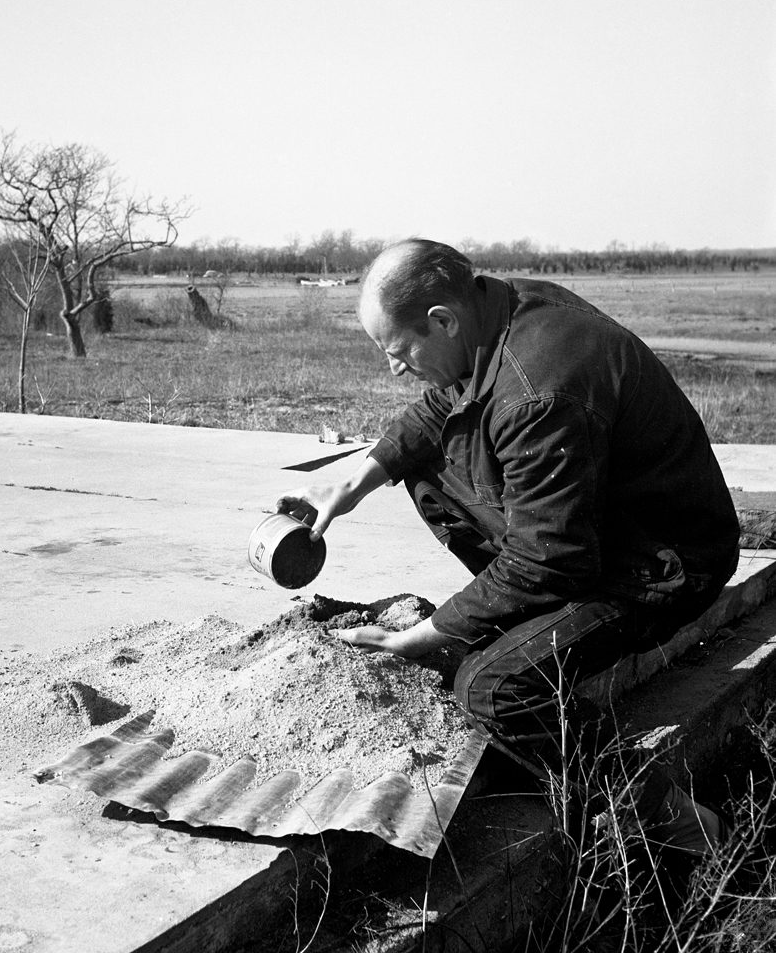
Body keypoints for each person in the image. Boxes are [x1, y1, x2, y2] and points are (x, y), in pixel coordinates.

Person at [278, 238, 740, 854]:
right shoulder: (491, 314)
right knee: (425, 466)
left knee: (491, 688)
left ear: (442, 320)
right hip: (602, 530)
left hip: (659, 565)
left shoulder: (537, 389)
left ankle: (682, 827)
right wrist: (356, 481)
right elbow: (439, 409)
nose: (394, 369)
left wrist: (434, 633)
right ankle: (526, 623)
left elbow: (551, 556)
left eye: (398, 352)